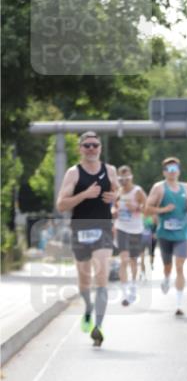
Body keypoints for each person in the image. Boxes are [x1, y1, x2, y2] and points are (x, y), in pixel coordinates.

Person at [56, 131, 119, 347]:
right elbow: (61, 205)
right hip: (79, 229)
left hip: (102, 228)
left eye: (95, 145)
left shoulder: (110, 171)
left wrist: (115, 198)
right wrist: (84, 195)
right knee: (84, 279)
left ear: (100, 148)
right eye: (87, 146)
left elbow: (116, 193)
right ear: (80, 149)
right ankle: (88, 308)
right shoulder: (73, 173)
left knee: (101, 274)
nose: (91, 149)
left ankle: (98, 326)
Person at [145, 157, 187, 317]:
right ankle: (166, 277)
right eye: (168, 169)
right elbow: (147, 209)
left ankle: (179, 303)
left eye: (174, 169)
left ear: (179, 170)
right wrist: (164, 209)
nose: (172, 172)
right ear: (164, 172)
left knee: (180, 266)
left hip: (182, 233)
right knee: (168, 266)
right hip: (165, 233)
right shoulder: (159, 188)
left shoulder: (186, 188)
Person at [114, 165, 147, 307]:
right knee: (124, 260)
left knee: (133, 260)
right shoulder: (118, 192)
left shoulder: (137, 191)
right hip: (121, 228)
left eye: (126, 178)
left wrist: (137, 208)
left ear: (131, 177)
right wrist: (114, 210)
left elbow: (147, 207)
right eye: (121, 178)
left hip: (136, 229)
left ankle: (133, 285)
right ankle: (124, 292)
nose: (124, 181)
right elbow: (114, 206)